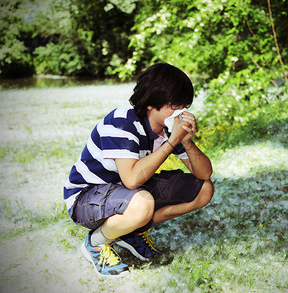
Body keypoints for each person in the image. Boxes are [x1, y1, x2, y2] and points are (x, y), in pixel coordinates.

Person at [63, 62, 214, 278]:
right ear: (152, 103)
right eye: (175, 105)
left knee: (204, 189)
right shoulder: (122, 121)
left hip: (127, 193)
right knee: (142, 203)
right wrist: (171, 143)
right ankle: (95, 243)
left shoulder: (167, 129)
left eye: (184, 106)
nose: (181, 112)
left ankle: (131, 231)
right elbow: (132, 179)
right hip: (87, 198)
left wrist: (187, 142)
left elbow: (205, 174)